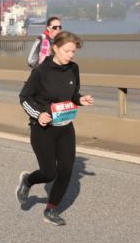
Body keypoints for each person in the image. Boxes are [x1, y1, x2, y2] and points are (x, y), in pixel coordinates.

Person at [16, 30, 95, 226]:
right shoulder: (41, 72)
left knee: (66, 171)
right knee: (49, 173)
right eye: (67, 51)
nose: (71, 55)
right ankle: (28, 181)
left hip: (66, 127)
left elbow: (72, 94)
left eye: (73, 52)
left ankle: (51, 210)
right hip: (43, 129)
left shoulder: (73, 68)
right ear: (55, 48)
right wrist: (38, 114)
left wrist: (81, 99)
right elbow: (24, 97)